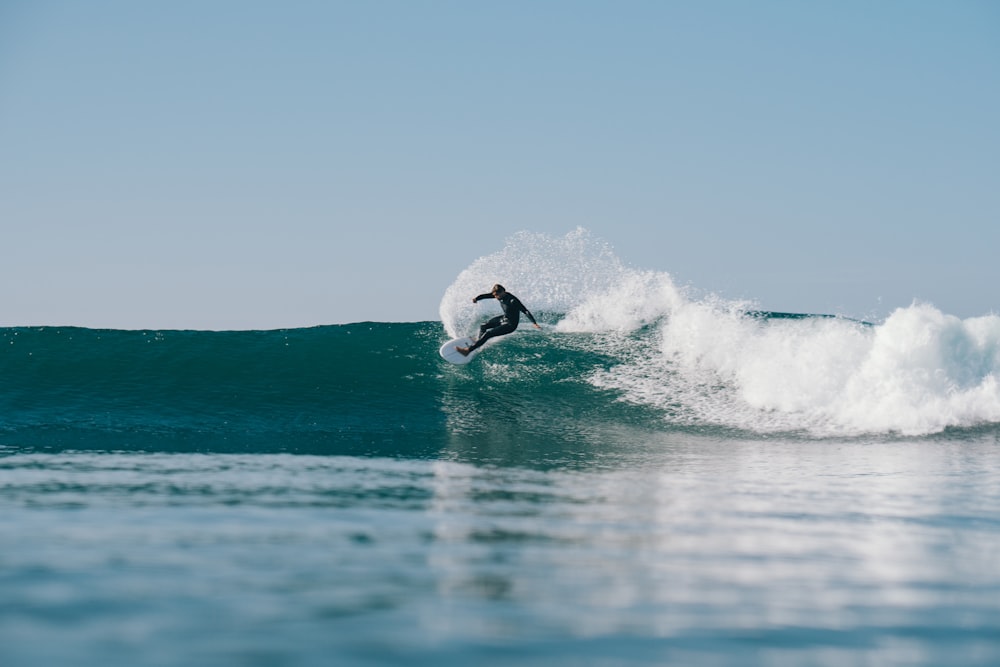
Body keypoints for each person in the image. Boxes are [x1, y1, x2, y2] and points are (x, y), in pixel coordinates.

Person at [457, 284, 541, 356]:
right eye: (495, 295)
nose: (496, 297)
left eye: (497, 295)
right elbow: (486, 295)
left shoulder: (513, 300)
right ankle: (479, 342)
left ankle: (467, 351)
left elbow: (525, 310)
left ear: (503, 292)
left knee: (488, 334)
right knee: (483, 325)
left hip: (510, 325)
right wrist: (477, 298)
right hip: (504, 318)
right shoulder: (497, 294)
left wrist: (534, 323)